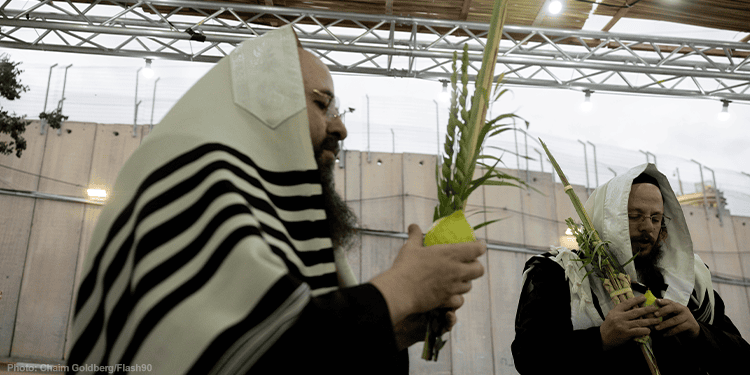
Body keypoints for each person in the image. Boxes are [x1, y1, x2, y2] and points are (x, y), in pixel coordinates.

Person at [66, 26, 486, 374]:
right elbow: (238, 353)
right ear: (260, 110)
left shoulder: (262, 214)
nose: (339, 127)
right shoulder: (193, 186)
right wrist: (401, 289)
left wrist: (389, 329)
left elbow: (295, 349)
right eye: (322, 104)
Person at [512, 163, 750, 374]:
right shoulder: (559, 274)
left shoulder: (687, 280)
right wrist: (601, 338)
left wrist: (698, 332)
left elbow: (742, 358)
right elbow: (530, 359)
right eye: (634, 216)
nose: (647, 227)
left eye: (656, 218)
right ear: (606, 219)